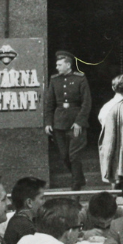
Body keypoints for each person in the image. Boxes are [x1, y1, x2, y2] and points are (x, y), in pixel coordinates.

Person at [44, 50, 92, 191]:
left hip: (76, 123)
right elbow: (49, 103)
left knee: (74, 155)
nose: (57, 67)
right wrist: (48, 122)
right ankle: (79, 178)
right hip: (59, 123)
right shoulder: (54, 80)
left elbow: (86, 103)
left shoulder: (80, 79)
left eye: (59, 65)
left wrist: (79, 122)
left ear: (68, 65)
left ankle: (76, 185)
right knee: (64, 155)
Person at [4, 176, 46, 244]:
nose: (44, 202)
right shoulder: (25, 226)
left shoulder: (18, 221)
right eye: (42, 198)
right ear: (29, 202)